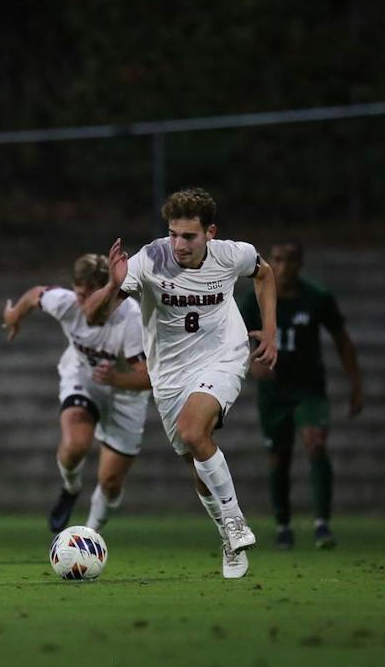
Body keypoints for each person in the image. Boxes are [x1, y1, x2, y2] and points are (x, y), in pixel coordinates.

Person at [85, 187, 278, 579]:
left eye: (188, 236)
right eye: (173, 233)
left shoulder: (230, 254)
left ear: (210, 232)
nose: (178, 244)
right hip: (170, 374)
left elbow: (265, 273)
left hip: (223, 355)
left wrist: (270, 330)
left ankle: (237, 521)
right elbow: (93, 317)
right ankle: (226, 532)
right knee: (197, 463)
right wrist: (111, 285)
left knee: (193, 430)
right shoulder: (149, 260)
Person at [2, 253, 151, 533]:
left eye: (90, 296)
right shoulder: (67, 303)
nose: (83, 304)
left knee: (110, 481)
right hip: (83, 378)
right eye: (80, 294)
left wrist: (116, 378)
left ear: (109, 292)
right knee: (75, 446)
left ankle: (89, 536)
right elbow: (36, 295)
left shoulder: (131, 319)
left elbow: (150, 379)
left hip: (127, 396)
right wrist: (13, 316)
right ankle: (71, 486)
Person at [238, 239, 363, 550]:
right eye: (277, 260)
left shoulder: (317, 297)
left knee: (315, 442)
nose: (283, 268)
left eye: (290, 261)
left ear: (300, 264)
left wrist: (355, 384)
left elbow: (342, 340)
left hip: (309, 388)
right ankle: (283, 525)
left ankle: (322, 524)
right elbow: (232, 337)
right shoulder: (254, 299)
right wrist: (252, 362)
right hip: (273, 392)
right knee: (278, 457)